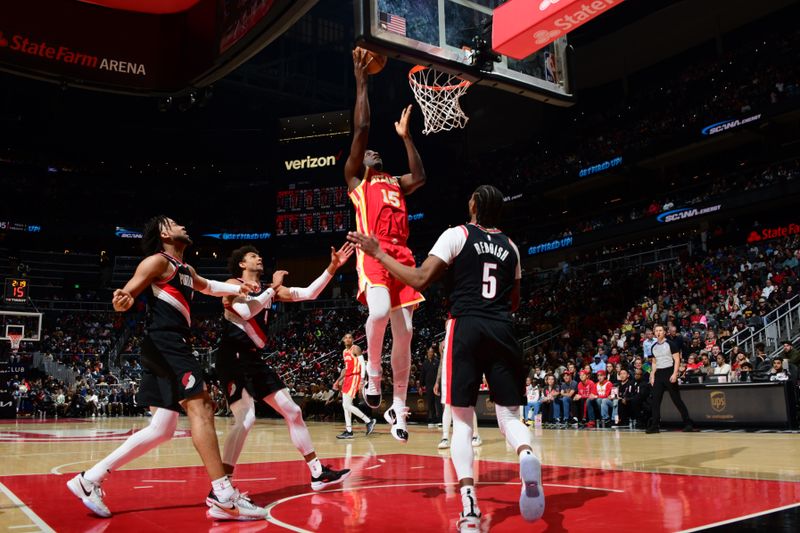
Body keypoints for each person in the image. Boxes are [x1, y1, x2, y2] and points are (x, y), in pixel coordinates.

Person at [348, 184, 544, 530]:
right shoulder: (511, 247)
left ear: (473, 205)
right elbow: (514, 301)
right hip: (503, 328)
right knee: (509, 416)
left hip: (465, 326)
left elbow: (419, 279)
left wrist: (379, 254)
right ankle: (527, 454)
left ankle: (470, 509)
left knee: (463, 423)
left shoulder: (457, 234)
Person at [67, 216, 267, 521]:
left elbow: (209, 287)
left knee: (162, 429)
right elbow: (130, 290)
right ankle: (224, 496)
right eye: (175, 223)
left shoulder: (185, 269)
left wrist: (240, 292)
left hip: (164, 346)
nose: (183, 226)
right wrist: (124, 297)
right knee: (202, 407)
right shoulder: (157, 261)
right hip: (167, 343)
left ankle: (89, 479)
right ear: (163, 233)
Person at [214, 244, 360, 495]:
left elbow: (310, 293)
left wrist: (332, 268)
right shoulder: (232, 283)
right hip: (232, 356)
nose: (258, 257)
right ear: (242, 264)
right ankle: (221, 487)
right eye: (252, 256)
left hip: (254, 359)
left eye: (259, 255)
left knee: (293, 411)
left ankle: (317, 473)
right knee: (246, 419)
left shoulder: (271, 291)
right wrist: (272, 288)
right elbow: (246, 311)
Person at [344, 47, 427, 442]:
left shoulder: (395, 182)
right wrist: (363, 84)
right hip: (373, 251)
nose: (373, 152)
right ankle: (374, 373)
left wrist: (406, 137)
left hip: (402, 254)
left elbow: (421, 176)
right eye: (367, 154)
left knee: (406, 331)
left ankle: (398, 406)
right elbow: (361, 131)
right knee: (377, 312)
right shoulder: (357, 183)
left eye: (378, 152)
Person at [434, 340, 482, 450]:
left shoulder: (463, 335)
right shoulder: (443, 344)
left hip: (462, 375)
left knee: (468, 405)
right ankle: (445, 437)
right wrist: (437, 381)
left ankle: (475, 435)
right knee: (447, 405)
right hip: (448, 377)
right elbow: (442, 362)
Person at [646, 324, 694, 434]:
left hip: (669, 372)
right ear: (654, 333)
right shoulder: (654, 347)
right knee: (655, 401)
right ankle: (655, 426)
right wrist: (652, 375)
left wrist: (675, 373)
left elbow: (677, 360)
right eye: (656, 330)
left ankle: (688, 423)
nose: (658, 332)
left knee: (676, 399)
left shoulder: (670, 344)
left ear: (664, 332)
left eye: (660, 330)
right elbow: (654, 362)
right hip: (659, 374)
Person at [334, 333, 376, 439]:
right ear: (343, 340)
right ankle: (349, 430)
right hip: (348, 378)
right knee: (345, 405)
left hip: (355, 377)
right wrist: (338, 380)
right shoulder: (344, 352)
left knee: (347, 405)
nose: (348, 339)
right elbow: (346, 369)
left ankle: (368, 421)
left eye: (350, 337)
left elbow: (362, 364)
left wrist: (362, 379)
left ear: (352, 340)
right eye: (346, 337)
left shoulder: (356, 348)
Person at [422, 346, 442, 427]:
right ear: (427, 353)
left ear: (433, 353)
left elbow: (440, 373)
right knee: (431, 403)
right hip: (428, 386)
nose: (430, 353)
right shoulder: (425, 363)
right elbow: (422, 375)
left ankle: (440, 420)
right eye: (429, 352)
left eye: (432, 352)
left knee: (438, 403)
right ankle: (433, 420)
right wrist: (420, 386)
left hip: (437, 386)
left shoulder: (437, 362)